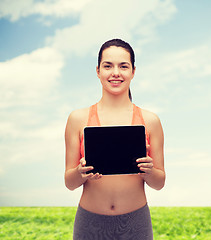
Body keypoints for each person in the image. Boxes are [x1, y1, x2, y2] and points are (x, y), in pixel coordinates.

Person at [65, 39, 165, 240]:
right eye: (108, 66)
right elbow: (69, 182)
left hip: (135, 222)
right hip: (90, 223)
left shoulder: (150, 121)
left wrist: (148, 170)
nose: (116, 73)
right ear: (98, 70)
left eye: (123, 66)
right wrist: (80, 172)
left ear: (133, 71)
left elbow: (159, 182)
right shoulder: (78, 119)